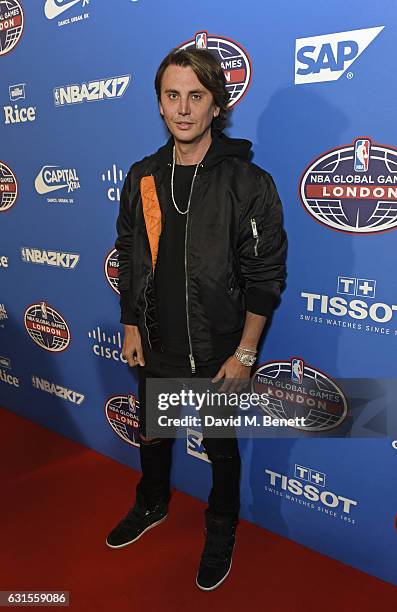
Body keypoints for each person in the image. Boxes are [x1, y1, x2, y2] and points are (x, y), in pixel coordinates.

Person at [106, 46, 287, 591]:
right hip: (156, 340)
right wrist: (131, 322)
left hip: (219, 351)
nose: (183, 108)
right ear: (160, 105)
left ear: (216, 105)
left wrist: (246, 353)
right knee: (155, 435)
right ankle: (152, 503)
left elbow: (265, 276)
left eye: (196, 96)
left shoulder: (249, 183)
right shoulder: (142, 176)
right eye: (172, 95)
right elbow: (128, 250)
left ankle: (221, 528)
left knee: (220, 448)